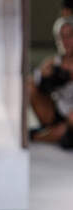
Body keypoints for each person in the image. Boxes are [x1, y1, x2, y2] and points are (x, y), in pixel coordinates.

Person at [29, 16, 73, 148]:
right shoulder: (52, 63)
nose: (65, 41)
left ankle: (46, 135)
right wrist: (45, 78)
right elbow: (35, 80)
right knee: (29, 84)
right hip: (58, 112)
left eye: (69, 36)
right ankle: (50, 133)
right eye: (61, 37)